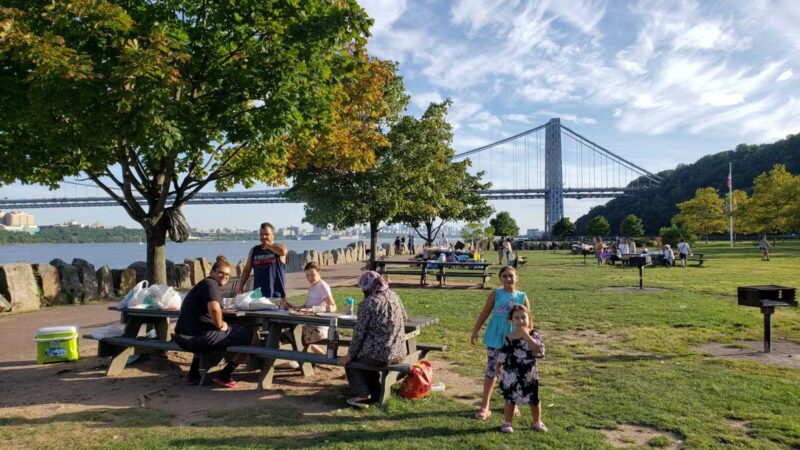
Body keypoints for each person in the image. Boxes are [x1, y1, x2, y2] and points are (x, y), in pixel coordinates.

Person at [173, 256, 258, 388]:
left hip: (181, 338)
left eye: (228, 275)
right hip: (196, 340)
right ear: (212, 272)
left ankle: (193, 374)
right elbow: (214, 308)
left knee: (208, 330)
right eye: (221, 272)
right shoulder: (211, 284)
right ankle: (224, 375)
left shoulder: (202, 285)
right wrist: (221, 325)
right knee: (251, 335)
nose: (224, 276)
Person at [338, 271, 407, 408]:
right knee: (369, 353)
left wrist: (349, 356)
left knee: (353, 360)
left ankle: (361, 395)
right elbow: (404, 317)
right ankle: (375, 392)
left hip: (380, 355)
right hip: (399, 351)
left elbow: (359, 335)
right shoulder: (394, 296)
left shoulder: (368, 304)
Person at [470, 266, 530, 420]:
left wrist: (528, 337)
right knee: (491, 369)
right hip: (496, 336)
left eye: (511, 275)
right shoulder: (496, 294)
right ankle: (485, 406)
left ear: (517, 277)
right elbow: (485, 312)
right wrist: (476, 330)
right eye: (504, 276)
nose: (508, 279)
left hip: (514, 338)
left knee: (512, 372)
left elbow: (528, 320)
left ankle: (512, 403)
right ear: (500, 278)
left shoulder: (522, 296)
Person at [495, 304, 547, 433]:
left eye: (523, 317)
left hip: (529, 372)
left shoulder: (534, 334)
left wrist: (526, 335)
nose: (520, 321)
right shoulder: (509, 336)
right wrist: (497, 366)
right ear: (511, 320)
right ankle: (507, 423)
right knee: (510, 398)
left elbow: (539, 351)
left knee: (533, 398)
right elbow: (503, 353)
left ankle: (537, 422)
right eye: (516, 318)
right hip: (511, 372)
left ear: (529, 318)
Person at [280, 262, 336, 354]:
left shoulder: (322, 286)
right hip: (309, 324)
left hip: (318, 328)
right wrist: (292, 306)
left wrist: (315, 309)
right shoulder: (312, 287)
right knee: (289, 333)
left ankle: (309, 359)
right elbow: (305, 307)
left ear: (319, 273)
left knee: (291, 335)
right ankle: (319, 357)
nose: (310, 278)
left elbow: (333, 307)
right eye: (307, 275)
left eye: (312, 275)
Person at [237, 222, 288, 299]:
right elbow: (247, 270)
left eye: (266, 234)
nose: (263, 237)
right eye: (261, 234)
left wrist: (268, 246)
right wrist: (240, 286)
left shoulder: (279, 248)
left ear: (273, 235)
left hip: (276, 296)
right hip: (257, 296)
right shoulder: (254, 250)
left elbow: (283, 252)